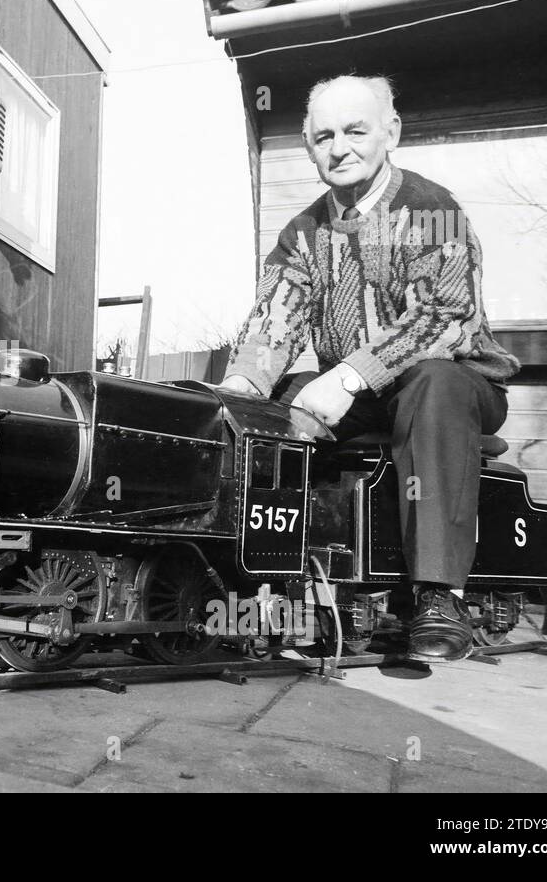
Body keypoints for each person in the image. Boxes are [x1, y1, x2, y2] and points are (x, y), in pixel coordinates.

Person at [219, 74, 520, 662]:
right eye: (324, 135)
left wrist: (349, 376)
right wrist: (240, 392)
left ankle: (439, 594)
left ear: (391, 133)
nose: (340, 148)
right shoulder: (301, 233)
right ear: (308, 144)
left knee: (434, 380)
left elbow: (447, 318)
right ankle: (259, 579)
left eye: (356, 130)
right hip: (358, 394)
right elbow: (271, 325)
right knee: (269, 407)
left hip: (457, 383)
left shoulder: (433, 207)